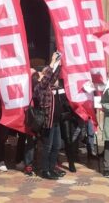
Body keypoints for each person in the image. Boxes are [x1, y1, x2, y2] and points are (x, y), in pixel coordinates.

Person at [33, 52, 63, 180]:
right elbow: (47, 79)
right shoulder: (40, 87)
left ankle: (51, 168)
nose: (50, 76)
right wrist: (52, 63)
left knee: (56, 146)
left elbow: (55, 75)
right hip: (47, 121)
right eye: (46, 73)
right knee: (48, 147)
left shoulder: (51, 86)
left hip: (56, 121)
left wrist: (59, 64)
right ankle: (45, 170)